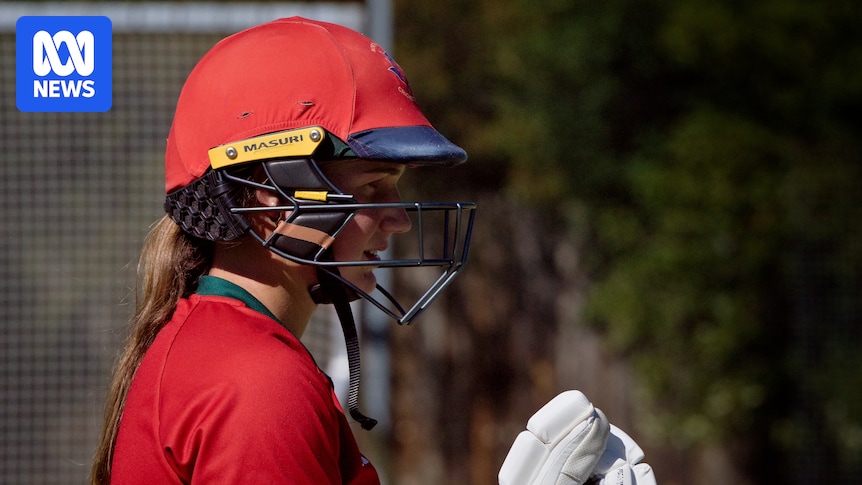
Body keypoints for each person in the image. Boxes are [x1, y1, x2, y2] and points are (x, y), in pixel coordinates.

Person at [91, 16, 654, 485]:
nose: (397, 220)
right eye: (371, 188)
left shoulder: (224, 349)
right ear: (271, 195)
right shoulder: (256, 385)